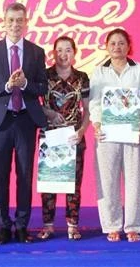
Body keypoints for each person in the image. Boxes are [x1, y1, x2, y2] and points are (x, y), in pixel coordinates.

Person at [0, 2, 48, 244]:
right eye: (11, 20)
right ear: (3, 22)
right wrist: (8, 86)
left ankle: (21, 225)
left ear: (26, 22)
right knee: (1, 176)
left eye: (20, 20)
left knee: (25, 174)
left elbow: (43, 86)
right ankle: (4, 226)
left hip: (26, 121)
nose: (15, 25)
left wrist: (26, 84)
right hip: (1, 122)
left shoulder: (37, 52)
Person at [89, 28, 140, 243]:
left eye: (121, 43)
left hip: (134, 132)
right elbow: (94, 102)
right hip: (107, 133)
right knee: (107, 180)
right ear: (107, 46)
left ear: (128, 46)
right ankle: (112, 225)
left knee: (135, 180)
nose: (117, 47)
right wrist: (96, 124)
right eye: (113, 43)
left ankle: (133, 226)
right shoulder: (99, 71)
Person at [36, 36, 90, 241]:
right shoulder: (44, 76)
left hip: (73, 137)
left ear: (74, 53)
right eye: (59, 50)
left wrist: (82, 131)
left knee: (73, 183)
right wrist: (49, 113)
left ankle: (72, 225)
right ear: (53, 53)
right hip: (49, 136)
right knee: (49, 182)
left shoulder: (82, 77)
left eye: (68, 50)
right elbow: (34, 103)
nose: (63, 54)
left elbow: (88, 109)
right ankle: (48, 225)